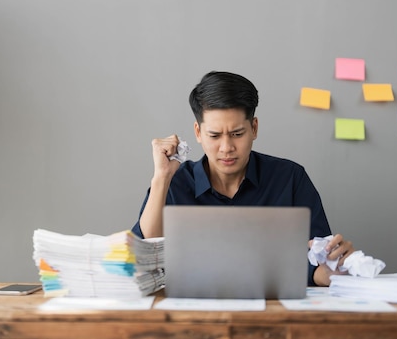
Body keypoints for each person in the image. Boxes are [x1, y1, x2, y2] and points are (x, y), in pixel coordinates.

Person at [131, 71, 355, 286]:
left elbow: (320, 259)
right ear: (198, 133)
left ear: (254, 128)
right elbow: (142, 253)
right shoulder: (175, 182)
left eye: (237, 134)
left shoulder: (290, 178)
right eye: (214, 136)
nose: (227, 148)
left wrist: (329, 268)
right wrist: (161, 177)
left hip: (274, 311)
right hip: (191, 311)